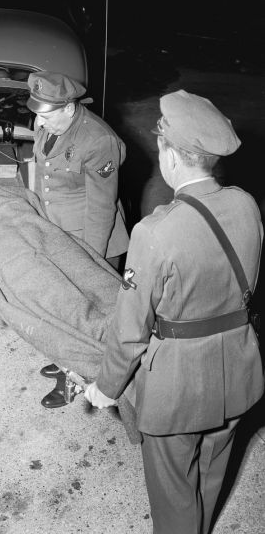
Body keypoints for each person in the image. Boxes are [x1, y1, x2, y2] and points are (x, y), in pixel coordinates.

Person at [84, 89, 264, 534]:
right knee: (210, 478)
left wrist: (106, 388)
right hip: (239, 372)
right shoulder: (247, 206)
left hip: (179, 390)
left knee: (174, 498)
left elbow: (130, 330)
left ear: (171, 156)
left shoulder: (155, 232)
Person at [26, 70, 129, 408]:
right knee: (64, 309)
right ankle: (64, 362)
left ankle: (80, 379)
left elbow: (102, 209)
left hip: (91, 242)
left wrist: (91, 262)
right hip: (61, 235)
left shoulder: (99, 141)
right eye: (38, 112)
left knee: (88, 317)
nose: (38, 120)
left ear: (69, 107)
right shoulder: (51, 124)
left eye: (46, 114)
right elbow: (43, 176)